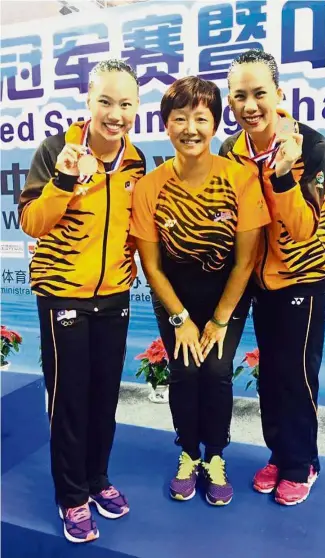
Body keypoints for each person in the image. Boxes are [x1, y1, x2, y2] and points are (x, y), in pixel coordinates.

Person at [18, 59, 145, 542]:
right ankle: (71, 496)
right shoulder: (56, 150)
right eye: (106, 102)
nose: (116, 113)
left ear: (137, 107)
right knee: (69, 401)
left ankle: (97, 479)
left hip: (114, 294)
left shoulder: (136, 160)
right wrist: (66, 180)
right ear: (88, 102)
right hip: (63, 294)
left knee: (103, 397)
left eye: (126, 103)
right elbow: (32, 221)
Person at [131, 76, 270, 506]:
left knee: (215, 371)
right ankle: (188, 454)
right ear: (166, 126)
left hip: (225, 294)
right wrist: (180, 319)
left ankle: (216, 456)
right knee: (185, 370)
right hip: (174, 293)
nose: (190, 128)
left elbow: (245, 260)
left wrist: (218, 320)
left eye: (200, 118)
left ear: (214, 124)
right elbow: (151, 264)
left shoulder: (240, 179)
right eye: (179, 119)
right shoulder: (151, 186)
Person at [220, 49, 325, 506]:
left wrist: (283, 176)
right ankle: (280, 452)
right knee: (269, 375)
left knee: (296, 374)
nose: (250, 105)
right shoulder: (231, 150)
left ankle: (302, 462)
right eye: (240, 96)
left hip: (302, 277)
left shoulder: (313, 145)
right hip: (256, 279)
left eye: (259, 93)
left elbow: (304, 226)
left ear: (279, 94)